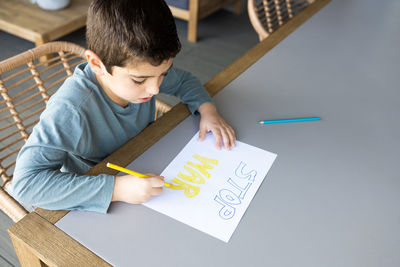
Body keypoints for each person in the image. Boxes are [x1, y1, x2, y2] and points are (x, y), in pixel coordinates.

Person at [12, 0, 236, 213]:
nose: (155, 89)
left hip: (142, 163)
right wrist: (117, 189)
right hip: (94, 194)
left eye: (163, 75)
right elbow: (25, 185)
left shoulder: (147, 70)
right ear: (97, 65)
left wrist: (208, 110)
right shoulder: (71, 111)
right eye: (139, 81)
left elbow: (185, 81)